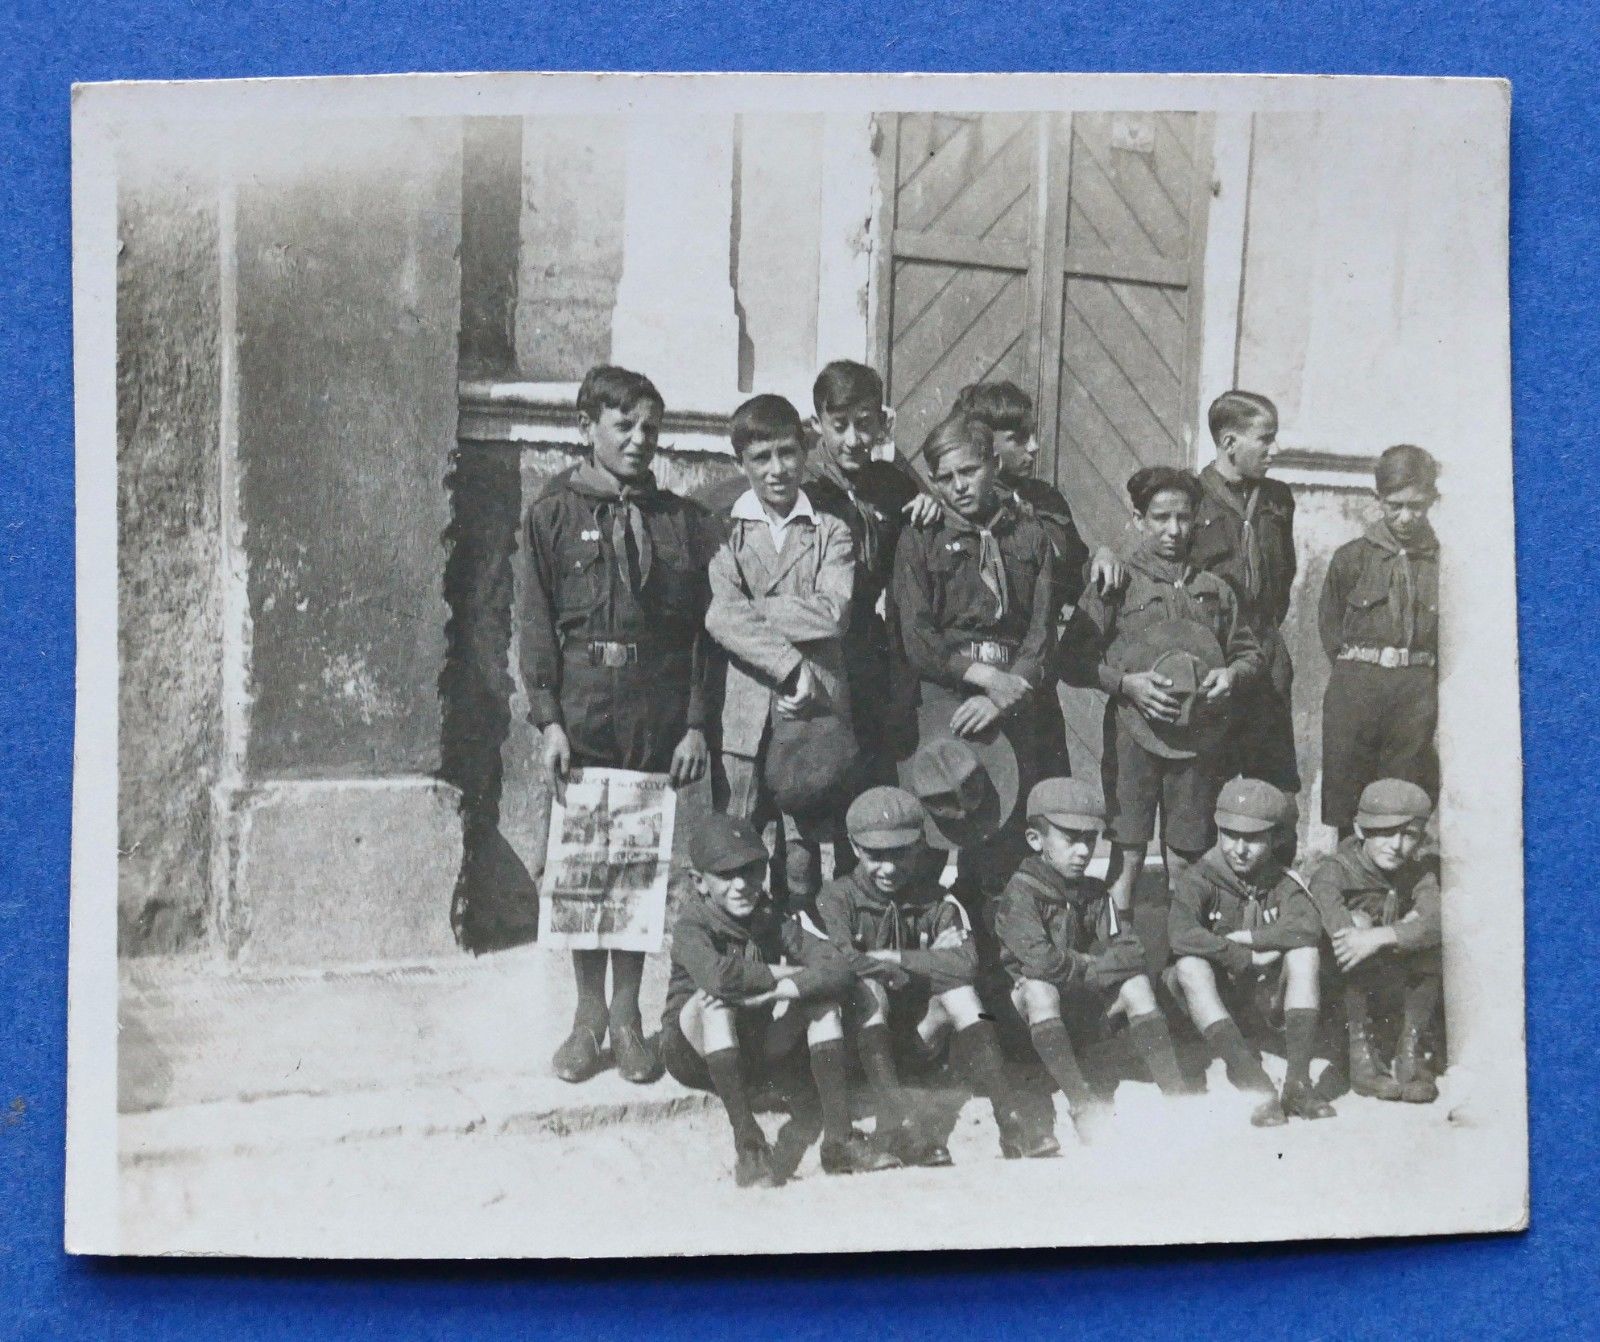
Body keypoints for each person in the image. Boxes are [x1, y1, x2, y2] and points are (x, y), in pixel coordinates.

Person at [519, 365, 712, 1085]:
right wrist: (548, 721)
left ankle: (629, 1018)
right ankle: (586, 1018)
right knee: (583, 865)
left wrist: (694, 724)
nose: (639, 440)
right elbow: (536, 623)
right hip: (585, 702)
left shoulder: (678, 522)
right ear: (586, 429)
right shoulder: (553, 514)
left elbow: (699, 634)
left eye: (650, 429)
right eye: (624, 426)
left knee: (634, 865)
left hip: (652, 707)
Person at [816, 786, 1060, 1162]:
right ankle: (901, 1128)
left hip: (917, 1042)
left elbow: (966, 963)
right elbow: (841, 961)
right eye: (876, 856)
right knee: (869, 989)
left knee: (961, 993)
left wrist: (892, 955)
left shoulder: (935, 898)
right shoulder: (837, 898)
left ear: (918, 847)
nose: (890, 868)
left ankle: (1010, 1119)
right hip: (860, 1047)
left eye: (900, 854)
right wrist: (922, 960)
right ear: (853, 847)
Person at [661, 812, 898, 1188]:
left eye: (752, 871)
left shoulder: (769, 916)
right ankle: (749, 1145)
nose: (741, 885)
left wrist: (791, 989)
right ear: (699, 882)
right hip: (697, 1051)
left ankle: (839, 1139)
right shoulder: (693, 925)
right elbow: (720, 977)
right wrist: (784, 975)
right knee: (715, 1002)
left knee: (822, 1002)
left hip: (756, 1043)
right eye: (725, 875)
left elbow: (835, 963)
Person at [1078, 467, 1264, 916]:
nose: (1173, 530)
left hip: (1197, 743)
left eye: (1183, 518)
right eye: (1161, 518)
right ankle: (1117, 958)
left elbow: (1249, 654)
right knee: (1128, 851)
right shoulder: (1116, 584)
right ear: (1139, 518)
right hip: (1132, 739)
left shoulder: (1215, 588)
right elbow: (1073, 659)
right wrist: (1126, 685)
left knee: (1186, 855)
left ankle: (1185, 959)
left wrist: (1232, 676)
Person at [704, 394, 856, 913]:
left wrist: (749, 610)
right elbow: (718, 615)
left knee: (804, 849)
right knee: (738, 838)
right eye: (761, 458)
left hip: (812, 714)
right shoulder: (723, 531)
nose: (777, 470)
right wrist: (791, 663)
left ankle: (804, 953)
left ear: (806, 451)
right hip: (746, 712)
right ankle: (741, 956)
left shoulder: (830, 530)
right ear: (740, 463)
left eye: (788, 453)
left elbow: (833, 612)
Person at [891, 413, 1059, 875]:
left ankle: (992, 942)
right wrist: (986, 680)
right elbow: (918, 636)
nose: (958, 486)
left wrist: (1007, 693)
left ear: (993, 464)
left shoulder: (1030, 536)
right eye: (944, 478)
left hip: (1014, 700)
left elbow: (1041, 633)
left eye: (969, 471)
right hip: (945, 698)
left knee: (1002, 842)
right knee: (934, 827)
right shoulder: (920, 538)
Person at [991, 778, 1188, 1144]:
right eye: (1070, 838)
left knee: (1137, 984)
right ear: (1036, 840)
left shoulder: (1094, 893)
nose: (1083, 850)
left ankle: (1177, 1097)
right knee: (1038, 988)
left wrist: (1087, 967)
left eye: (1090, 839)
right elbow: (1042, 963)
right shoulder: (1021, 894)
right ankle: (1081, 1103)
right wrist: (1094, 965)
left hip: (1080, 1009)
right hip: (1029, 1028)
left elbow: (1132, 951)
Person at [951, 380, 1125, 777]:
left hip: (1037, 678)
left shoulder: (1046, 500)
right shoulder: (963, 509)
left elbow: (1076, 569)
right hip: (979, 679)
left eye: (1032, 436)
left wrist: (1102, 554)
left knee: (1045, 796)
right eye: (1018, 438)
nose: (1033, 448)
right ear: (982, 443)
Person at [1166, 777, 1335, 1126]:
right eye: (1231, 835)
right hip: (1212, 1003)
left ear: (1274, 839)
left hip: (1260, 1000)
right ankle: (1252, 1081)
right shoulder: (1199, 878)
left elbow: (1307, 926)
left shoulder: (1281, 880)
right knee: (1189, 966)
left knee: (1305, 953)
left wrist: (1253, 939)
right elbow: (1180, 933)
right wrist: (1240, 955)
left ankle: (1298, 1083)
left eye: (1253, 838)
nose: (1239, 848)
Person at [804, 360, 940, 787]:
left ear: (882, 422)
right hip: (812, 642)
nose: (852, 440)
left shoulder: (891, 483)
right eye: (839, 425)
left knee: (869, 768)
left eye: (865, 425)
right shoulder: (802, 486)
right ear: (817, 423)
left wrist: (930, 504)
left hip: (865, 641)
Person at [1318, 444, 1440, 836]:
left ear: (1432, 501)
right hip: (1358, 685)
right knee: (1348, 786)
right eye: (1395, 505)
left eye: (1417, 506)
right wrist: (1360, 673)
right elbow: (1330, 626)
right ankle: (1345, 874)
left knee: (1402, 791)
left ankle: (1396, 886)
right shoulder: (1351, 558)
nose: (1406, 517)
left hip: (1414, 690)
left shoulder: (1443, 561)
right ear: (1378, 500)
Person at [1190, 391, 1301, 795]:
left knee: (1272, 785)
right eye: (1265, 439)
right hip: (1213, 656)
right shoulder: (1191, 497)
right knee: (1206, 783)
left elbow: (1284, 574)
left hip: (1266, 653)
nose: (1275, 449)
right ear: (1229, 443)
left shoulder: (1278, 500)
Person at [1307, 779, 1443, 1104]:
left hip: (1390, 978)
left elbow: (1437, 921)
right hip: (1340, 991)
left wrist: (1382, 936)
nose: (1396, 845)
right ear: (1360, 829)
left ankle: (1412, 1051)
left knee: (1427, 942)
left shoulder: (1419, 873)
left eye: (1408, 835)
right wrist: (1384, 931)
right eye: (1384, 832)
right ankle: (1361, 1055)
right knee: (1357, 924)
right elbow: (1342, 936)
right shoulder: (1334, 872)